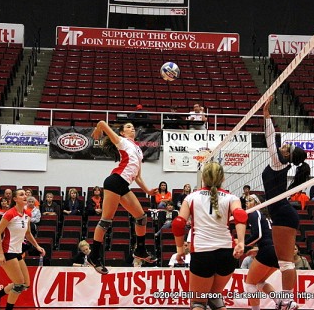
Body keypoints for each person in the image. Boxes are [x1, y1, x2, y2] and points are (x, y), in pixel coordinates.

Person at [172, 162, 246, 310]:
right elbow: (240, 215)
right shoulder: (232, 198)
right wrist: (241, 242)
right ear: (223, 178)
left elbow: (178, 224)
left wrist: (180, 249)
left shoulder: (191, 197)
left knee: (199, 303)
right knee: (215, 298)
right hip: (226, 254)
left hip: (202, 253)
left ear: (203, 179)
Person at [88, 120, 159, 274]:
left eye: (133, 127)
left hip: (124, 185)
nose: (132, 128)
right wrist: (98, 129)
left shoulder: (138, 150)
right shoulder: (122, 142)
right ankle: (94, 256)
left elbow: (138, 176)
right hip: (114, 181)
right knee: (106, 221)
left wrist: (148, 190)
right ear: (122, 132)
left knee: (141, 218)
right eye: (128, 127)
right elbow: (102, 122)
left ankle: (140, 250)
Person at [261, 99, 310, 310]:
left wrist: (266, 114)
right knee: (284, 262)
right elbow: (273, 141)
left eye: (286, 146)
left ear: (288, 154)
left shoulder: (278, 161)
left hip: (283, 214)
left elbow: (270, 138)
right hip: (282, 212)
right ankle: (285, 300)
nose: (283, 146)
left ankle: (288, 301)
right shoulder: (281, 162)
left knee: (286, 262)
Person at [0, 189, 45, 310]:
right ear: (15, 199)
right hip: (8, 251)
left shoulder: (28, 214)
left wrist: (37, 246)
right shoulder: (10, 213)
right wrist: (0, 253)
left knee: (26, 284)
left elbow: (28, 234)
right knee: (18, 284)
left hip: (18, 252)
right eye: (22, 194)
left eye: (26, 194)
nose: (25, 196)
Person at [243, 194, 278, 310]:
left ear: (257, 203)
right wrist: (256, 249)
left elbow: (257, 235)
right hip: (276, 251)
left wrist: (243, 245)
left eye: (250, 200)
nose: (247, 203)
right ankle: (281, 302)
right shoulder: (267, 217)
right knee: (260, 282)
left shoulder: (254, 213)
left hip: (267, 249)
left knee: (250, 284)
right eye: (246, 201)